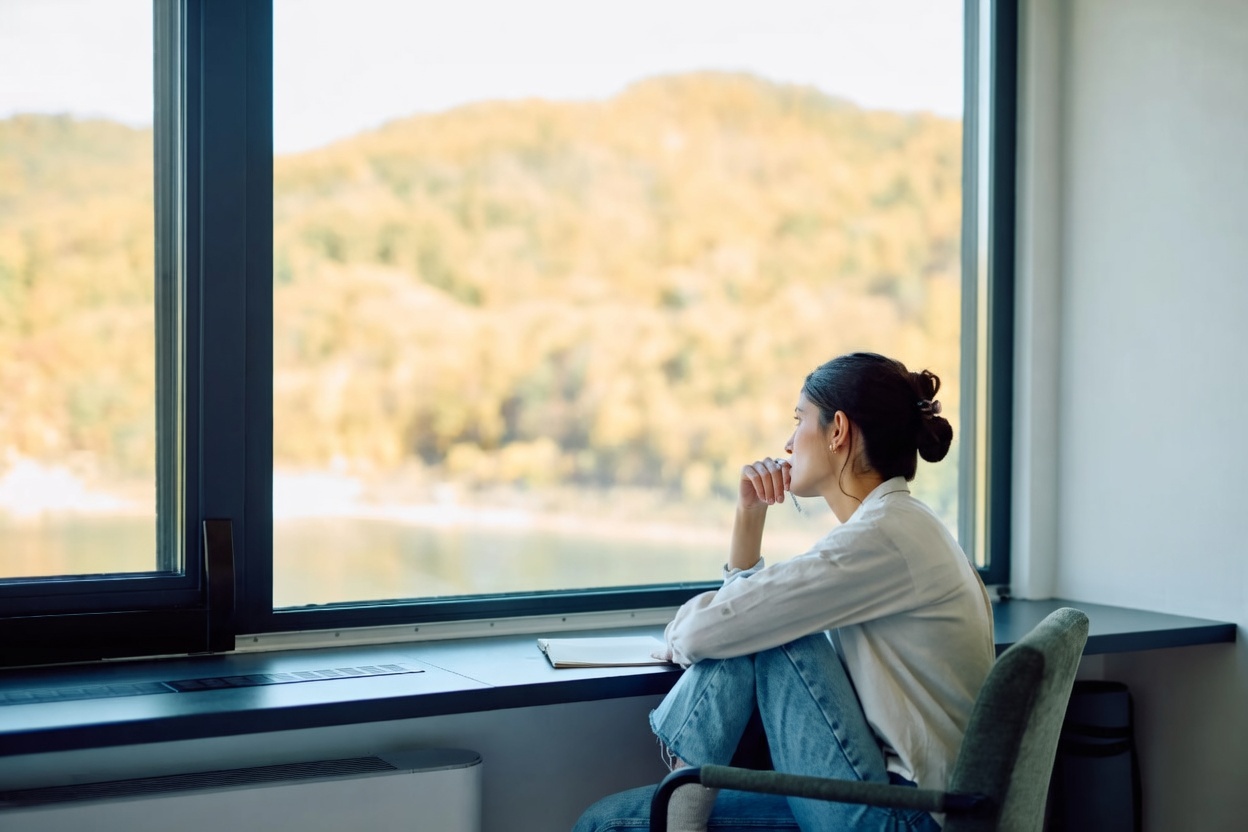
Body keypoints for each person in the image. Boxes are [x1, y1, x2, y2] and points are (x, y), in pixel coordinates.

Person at [573, 352, 996, 832]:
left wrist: (686, 626)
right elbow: (744, 615)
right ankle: (680, 818)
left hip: (905, 817)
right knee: (605, 819)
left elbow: (701, 634)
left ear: (838, 430)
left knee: (606, 825)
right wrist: (749, 515)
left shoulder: (881, 538)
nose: (789, 443)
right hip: (911, 802)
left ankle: (680, 816)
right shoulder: (902, 526)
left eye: (799, 421)